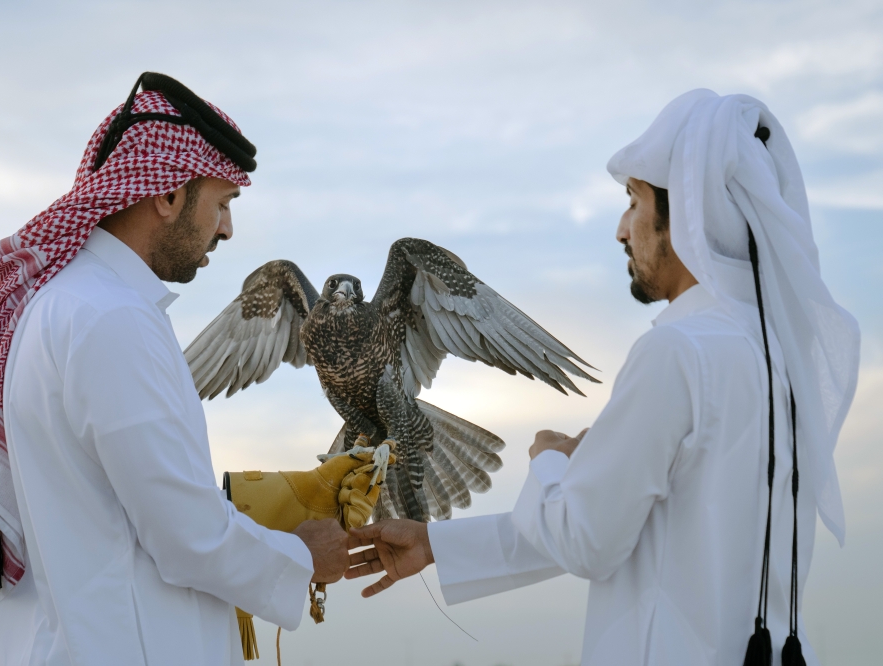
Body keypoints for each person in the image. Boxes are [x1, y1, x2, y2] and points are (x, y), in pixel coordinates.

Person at [347, 90, 860, 666]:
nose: (622, 229)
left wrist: (550, 458)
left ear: (687, 217)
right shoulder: (780, 354)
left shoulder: (677, 351)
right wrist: (436, 543)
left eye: (634, 201)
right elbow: (615, 521)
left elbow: (587, 539)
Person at [0, 73, 352, 666]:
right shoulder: (110, 318)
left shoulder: (63, 304)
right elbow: (185, 537)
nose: (227, 228)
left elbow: (114, 505)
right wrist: (298, 553)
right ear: (166, 197)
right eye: (221, 204)